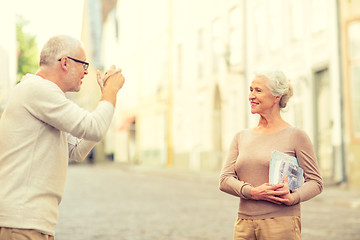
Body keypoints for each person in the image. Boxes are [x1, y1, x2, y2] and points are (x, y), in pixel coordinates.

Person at [0, 35, 125, 240]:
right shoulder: (38, 90)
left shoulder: (42, 95)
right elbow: (93, 128)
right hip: (21, 222)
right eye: (84, 64)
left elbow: (77, 151)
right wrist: (110, 92)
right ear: (65, 62)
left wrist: (107, 98)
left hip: (31, 222)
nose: (87, 71)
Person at [219, 70, 323, 240]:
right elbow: (224, 180)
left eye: (258, 91)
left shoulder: (295, 135)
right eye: (250, 90)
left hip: (281, 224)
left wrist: (293, 197)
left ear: (276, 97)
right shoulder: (241, 137)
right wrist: (252, 192)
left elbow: (316, 182)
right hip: (244, 224)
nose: (251, 95)